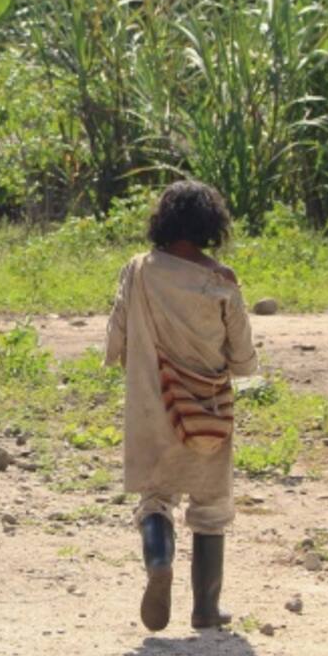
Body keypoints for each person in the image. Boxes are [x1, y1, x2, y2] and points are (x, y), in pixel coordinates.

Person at [105, 181, 258, 632]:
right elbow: (243, 356)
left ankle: (158, 560)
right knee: (210, 506)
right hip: (206, 406)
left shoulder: (137, 271)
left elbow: (116, 336)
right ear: (213, 225)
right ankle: (206, 610)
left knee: (156, 497)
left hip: (151, 402)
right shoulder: (220, 281)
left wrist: (123, 359)